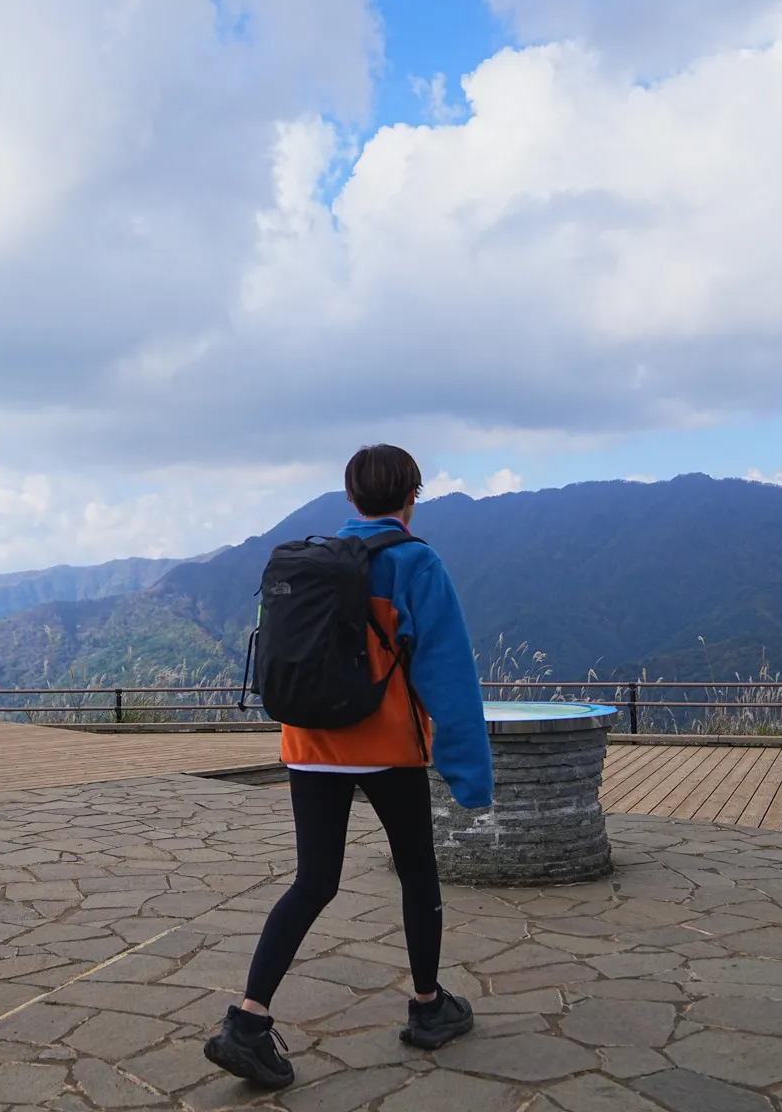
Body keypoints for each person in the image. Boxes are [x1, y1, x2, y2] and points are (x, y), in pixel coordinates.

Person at [204, 443, 494, 1089]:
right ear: (410, 498)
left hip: (309, 747)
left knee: (313, 882)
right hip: (386, 748)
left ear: (351, 497)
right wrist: (472, 778)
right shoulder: (415, 563)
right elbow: (449, 674)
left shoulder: (312, 563)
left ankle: (246, 1023)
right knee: (418, 874)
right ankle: (427, 1009)